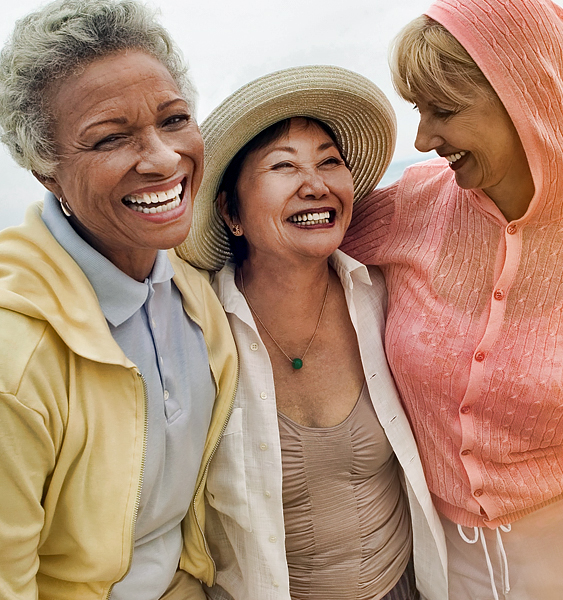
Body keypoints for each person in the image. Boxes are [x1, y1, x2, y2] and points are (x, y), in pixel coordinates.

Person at [342, 0, 563, 598]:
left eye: (444, 112)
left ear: (527, 102)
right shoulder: (413, 205)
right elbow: (294, 242)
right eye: (419, 111)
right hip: (441, 561)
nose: (424, 138)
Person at [176, 65, 448, 600]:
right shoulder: (195, 325)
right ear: (231, 210)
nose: (316, 184)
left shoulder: (383, 294)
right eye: (283, 166)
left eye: (330, 162)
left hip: (407, 585)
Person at [0, 1, 237, 599]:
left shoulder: (187, 282)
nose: (163, 159)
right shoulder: (15, 354)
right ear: (46, 171)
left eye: (175, 119)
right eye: (110, 138)